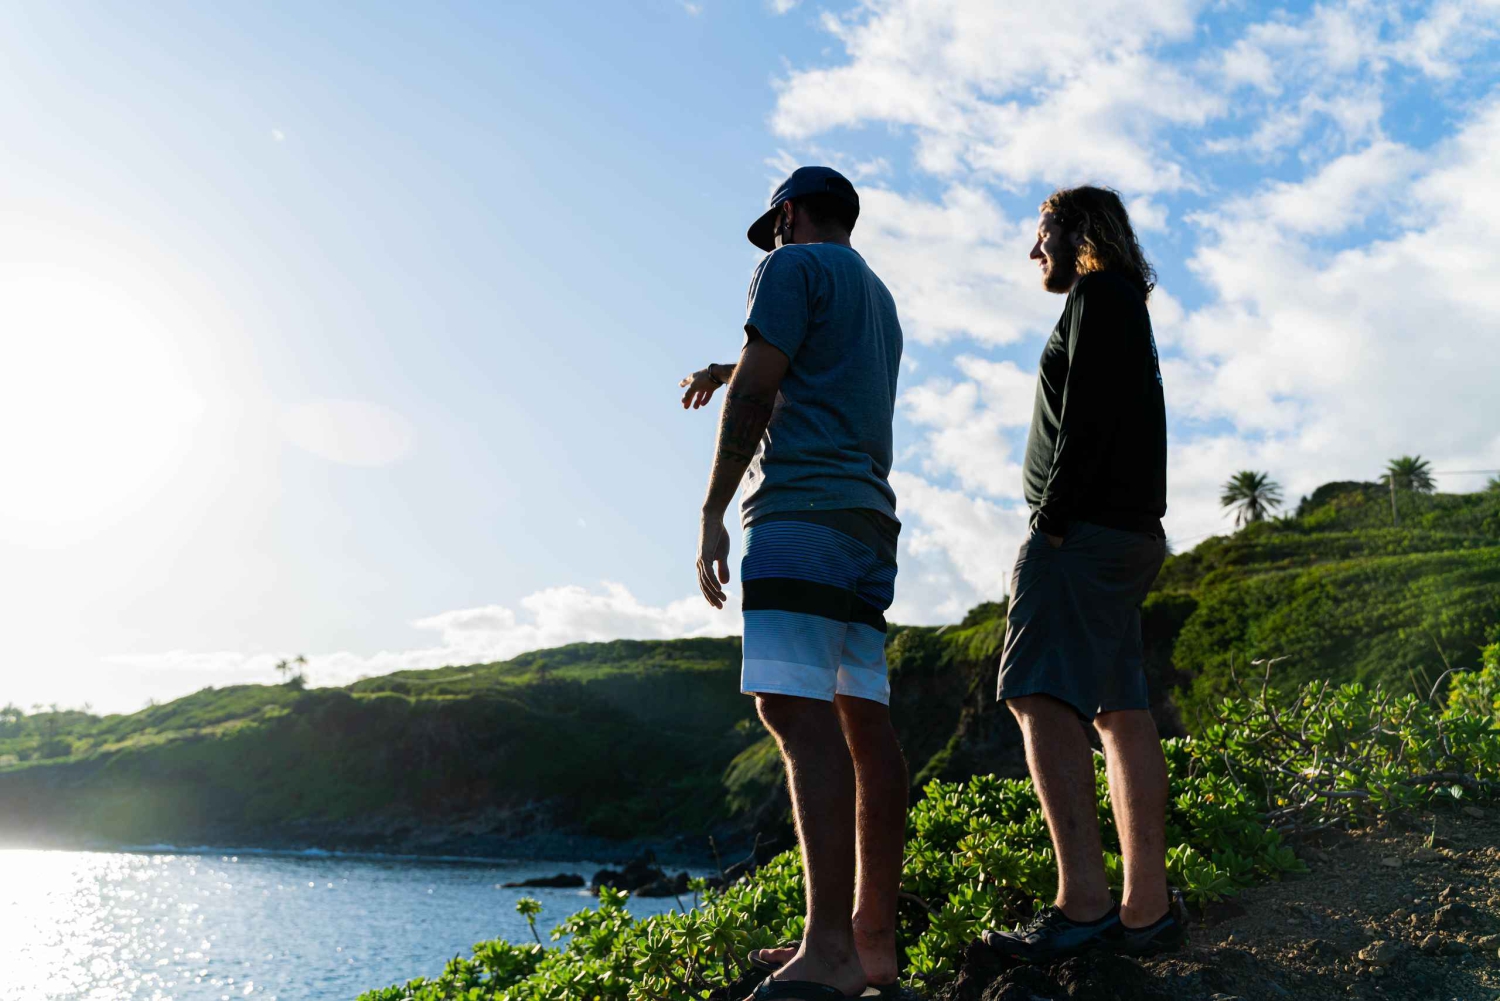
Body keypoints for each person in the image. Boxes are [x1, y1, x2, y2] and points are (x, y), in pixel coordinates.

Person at [681, 165, 909, 1000]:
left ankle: (828, 949)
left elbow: (761, 384)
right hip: (866, 522)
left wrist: (712, 508)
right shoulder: (877, 298)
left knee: (794, 712)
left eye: (774, 225)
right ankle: (872, 942)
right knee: (864, 723)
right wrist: (727, 364)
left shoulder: (788, 265)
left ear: (787, 214)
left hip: (801, 513)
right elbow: (808, 372)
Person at [980, 186, 1186, 961]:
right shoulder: (1124, 303)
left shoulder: (1099, 296)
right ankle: (1146, 910)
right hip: (1125, 534)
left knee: (1035, 693)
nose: (1035, 250)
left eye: (1044, 233)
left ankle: (1083, 904)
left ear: (1079, 231)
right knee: (1118, 708)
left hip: (1084, 534)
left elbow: (1087, 416)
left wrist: (1052, 520)